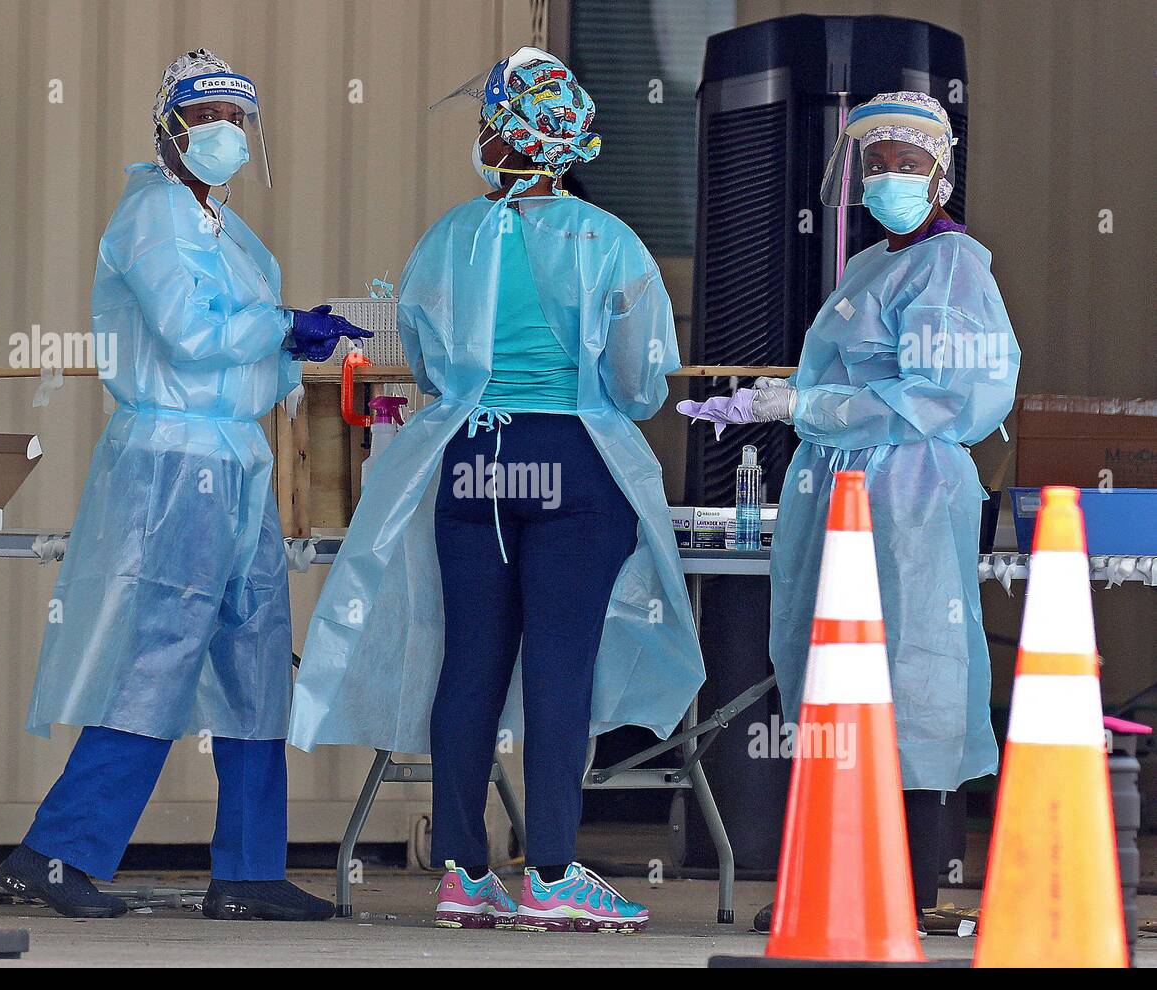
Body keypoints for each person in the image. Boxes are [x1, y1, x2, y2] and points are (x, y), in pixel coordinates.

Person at [291, 48, 705, 933]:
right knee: (561, 664)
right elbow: (639, 384)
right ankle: (551, 873)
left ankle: (462, 871)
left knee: (470, 662)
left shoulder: (447, 238)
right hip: (571, 458)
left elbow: (434, 362)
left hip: (473, 460)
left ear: (504, 134)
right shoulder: (608, 243)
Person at [0, 49, 370, 921]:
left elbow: (247, 357)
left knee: (254, 663)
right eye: (209, 120)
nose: (226, 135)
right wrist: (282, 326)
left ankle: (247, 869)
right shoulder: (154, 216)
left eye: (237, 120)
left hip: (236, 459)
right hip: (176, 461)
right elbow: (191, 336)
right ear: (170, 130)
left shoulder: (229, 233)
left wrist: (296, 348)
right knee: (158, 656)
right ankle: (56, 850)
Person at [680, 92, 1020, 931]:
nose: (888, 178)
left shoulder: (951, 269)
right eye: (876, 165)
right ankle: (839, 878)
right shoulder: (874, 263)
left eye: (906, 162)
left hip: (906, 494)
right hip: (842, 486)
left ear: (941, 173)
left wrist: (803, 407)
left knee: (911, 675)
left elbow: (946, 398)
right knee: (840, 680)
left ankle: (908, 892)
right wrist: (792, 405)